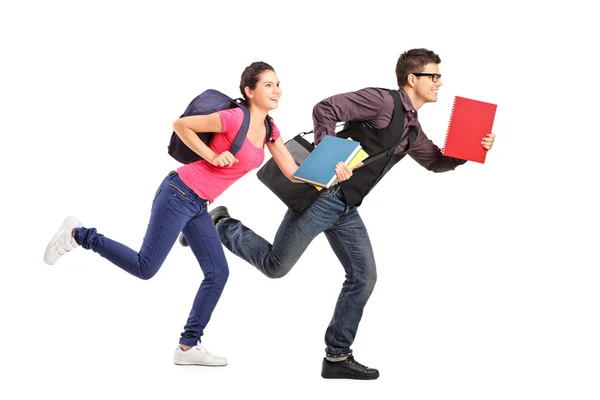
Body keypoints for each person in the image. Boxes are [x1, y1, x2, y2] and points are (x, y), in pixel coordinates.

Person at [181, 48, 496, 379]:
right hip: (324, 197)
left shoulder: (413, 129)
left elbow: (435, 162)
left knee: (364, 276)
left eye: (439, 77)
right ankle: (221, 223)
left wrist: (472, 148)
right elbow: (326, 108)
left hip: (346, 208)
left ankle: (337, 357)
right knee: (276, 266)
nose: (439, 83)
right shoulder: (382, 102)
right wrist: (330, 157)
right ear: (411, 79)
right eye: (433, 76)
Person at [43, 61, 306, 367]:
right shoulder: (235, 118)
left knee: (218, 273)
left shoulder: (271, 131)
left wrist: (336, 172)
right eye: (268, 85)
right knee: (145, 267)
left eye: (278, 84)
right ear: (249, 91)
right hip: (179, 193)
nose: (277, 90)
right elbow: (182, 126)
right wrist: (211, 154)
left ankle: (187, 347)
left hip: (197, 204)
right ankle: (79, 235)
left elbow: (292, 172)